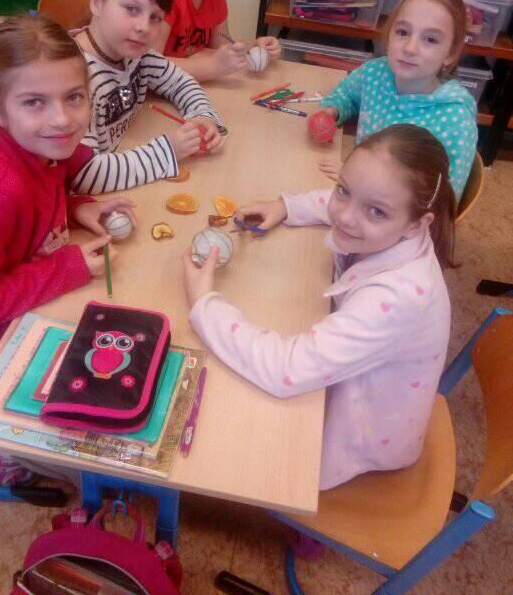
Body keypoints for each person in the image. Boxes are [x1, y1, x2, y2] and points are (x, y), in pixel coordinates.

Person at [183, 124, 453, 491]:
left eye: (376, 211)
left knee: (227, 437)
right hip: (359, 382)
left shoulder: (397, 297)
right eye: (344, 189)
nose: (344, 216)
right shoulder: (392, 227)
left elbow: (286, 370)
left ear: (417, 224)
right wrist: (286, 206)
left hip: (363, 436)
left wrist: (204, 304)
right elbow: (348, 203)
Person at [0, 14, 135, 403]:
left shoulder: (38, 147)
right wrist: (65, 269)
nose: (62, 119)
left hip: (30, 312)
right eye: (34, 102)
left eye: (74, 97)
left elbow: (33, 206)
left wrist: (76, 209)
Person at [70, 0, 226, 194]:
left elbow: (180, 83)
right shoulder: (71, 80)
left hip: (122, 172)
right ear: (97, 4)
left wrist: (202, 115)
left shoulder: (137, 55)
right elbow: (84, 174)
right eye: (132, 9)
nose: (144, 27)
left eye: (155, 17)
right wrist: (167, 151)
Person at [316, 0, 477, 201]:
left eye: (430, 39)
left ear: (450, 53)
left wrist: (359, 181)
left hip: (400, 215)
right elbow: (347, 94)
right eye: (402, 32)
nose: (410, 48)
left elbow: (442, 201)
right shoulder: (375, 73)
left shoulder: (455, 121)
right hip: (356, 190)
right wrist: (332, 111)